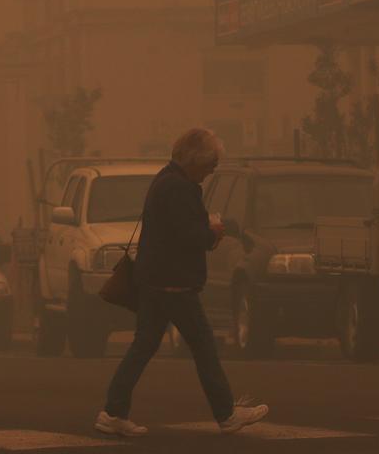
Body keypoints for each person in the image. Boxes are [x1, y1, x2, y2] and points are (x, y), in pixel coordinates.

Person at [95, 128, 269, 438]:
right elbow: (187, 236)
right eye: (210, 163)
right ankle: (226, 414)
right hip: (173, 286)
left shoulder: (165, 180)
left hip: (156, 282)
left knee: (144, 348)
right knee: (203, 347)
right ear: (194, 159)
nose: (212, 169)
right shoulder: (181, 189)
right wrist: (213, 232)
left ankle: (113, 411)